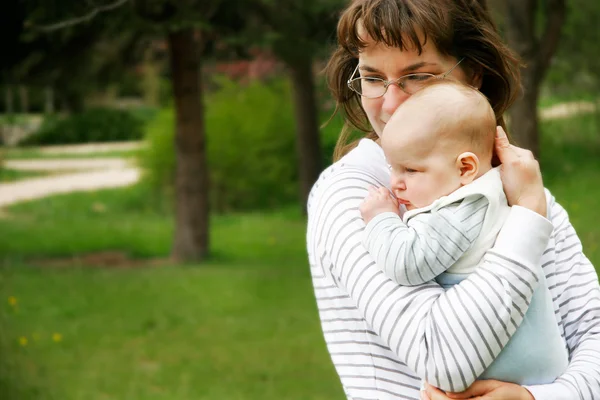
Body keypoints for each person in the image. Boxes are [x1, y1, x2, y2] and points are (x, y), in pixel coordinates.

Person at [305, 0, 600, 399]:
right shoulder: (357, 196)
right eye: (374, 78)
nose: (391, 104)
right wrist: (528, 219)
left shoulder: (519, 188)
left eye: (418, 76)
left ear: (472, 74)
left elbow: (592, 330)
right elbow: (443, 356)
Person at [359, 80, 568, 386]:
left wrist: (381, 218)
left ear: (465, 168)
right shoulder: (496, 188)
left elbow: (407, 262)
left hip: (514, 365)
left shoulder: (463, 209)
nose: (395, 183)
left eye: (411, 170)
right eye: (393, 168)